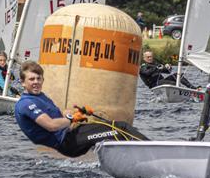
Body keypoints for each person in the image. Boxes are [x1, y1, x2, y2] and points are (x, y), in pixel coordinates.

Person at [14, 61, 148, 157]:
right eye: (31, 79)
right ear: (22, 82)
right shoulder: (26, 104)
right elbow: (51, 125)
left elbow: (58, 115)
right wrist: (72, 118)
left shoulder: (40, 96)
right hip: (68, 143)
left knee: (114, 130)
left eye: (39, 78)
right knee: (121, 128)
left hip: (73, 135)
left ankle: (134, 159)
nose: (36, 82)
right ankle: (153, 151)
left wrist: (69, 113)